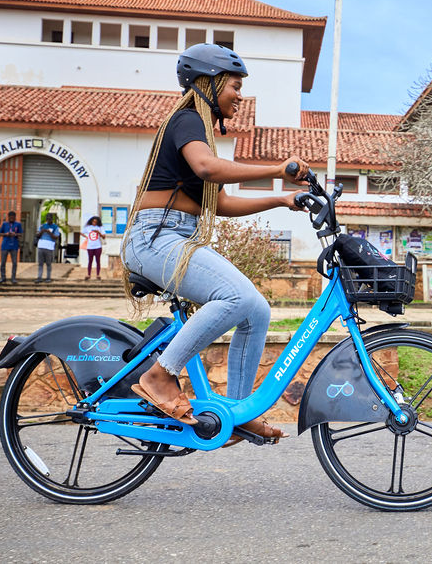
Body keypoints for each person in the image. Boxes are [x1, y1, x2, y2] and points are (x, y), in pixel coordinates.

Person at [122, 43, 309, 445]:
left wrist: (281, 197)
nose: (240, 96)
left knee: (255, 308)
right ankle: (159, 375)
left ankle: (239, 412)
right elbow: (208, 168)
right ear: (208, 83)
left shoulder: (198, 130)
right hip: (156, 237)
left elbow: (219, 201)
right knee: (234, 296)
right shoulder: (186, 121)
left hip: (175, 236)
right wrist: (278, 168)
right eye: (235, 86)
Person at [0, 211, 23, 285]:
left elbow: (21, 234)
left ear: (15, 217)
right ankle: (3, 277)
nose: (11, 218)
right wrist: (6, 234)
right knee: (3, 262)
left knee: (14, 263)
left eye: (13, 217)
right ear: (8, 217)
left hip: (14, 245)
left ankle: (13, 278)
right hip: (5, 245)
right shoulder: (4, 224)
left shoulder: (18, 224)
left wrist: (15, 234)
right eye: (10, 217)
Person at [35, 214, 61, 283]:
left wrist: (50, 233)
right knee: (40, 263)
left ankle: (48, 278)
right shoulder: (42, 226)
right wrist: (42, 231)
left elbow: (56, 237)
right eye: (47, 219)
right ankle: (39, 277)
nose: (48, 220)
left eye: (49, 219)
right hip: (41, 246)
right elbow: (37, 235)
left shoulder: (55, 227)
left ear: (52, 219)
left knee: (48, 263)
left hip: (49, 247)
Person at [80, 216, 106, 280]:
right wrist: (86, 237)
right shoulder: (88, 227)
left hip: (98, 246)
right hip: (90, 246)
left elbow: (104, 236)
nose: (94, 223)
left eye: (96, 222)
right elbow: (81, 232)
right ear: (91, 221)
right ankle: (89, 274)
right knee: (90, 261)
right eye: (93, 221)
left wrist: (98, 232)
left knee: (98, 261)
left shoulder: (100, 227)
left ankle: (98, 274)